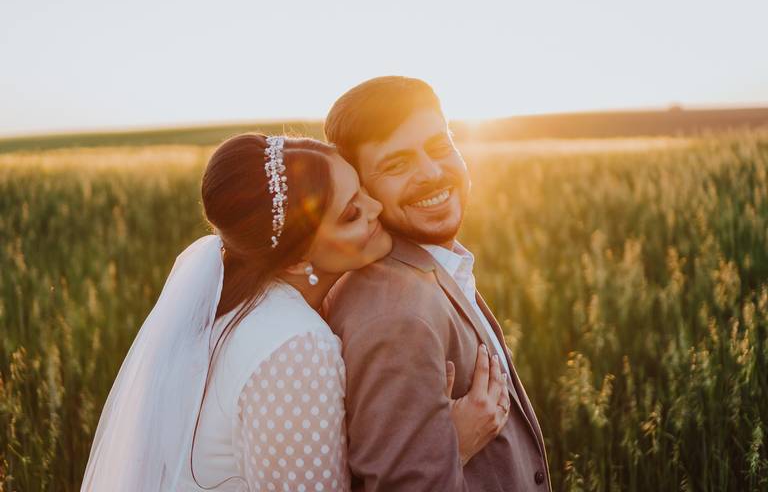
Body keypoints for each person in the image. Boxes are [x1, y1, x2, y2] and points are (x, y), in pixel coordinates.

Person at [81, 134, 508, 491]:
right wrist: (448, 446)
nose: (377, 208)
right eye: (351, 213)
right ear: (293, 259)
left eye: (362, 190)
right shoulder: (295, 348)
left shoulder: (238, 313)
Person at [323, 76, 551, 491]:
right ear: (361, 189)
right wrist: (454, 447)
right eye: (396, 164)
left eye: (440, 146)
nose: (431, 172)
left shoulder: (431, 269)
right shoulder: (396, 316)